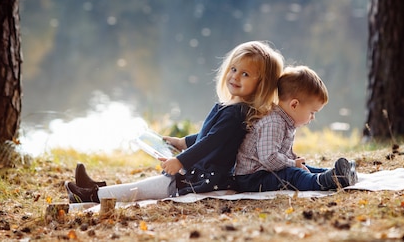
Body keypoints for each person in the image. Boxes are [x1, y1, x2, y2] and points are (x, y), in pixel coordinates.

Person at [65, 40, 284, 203]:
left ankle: (91, 196)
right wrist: (182, 142)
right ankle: (95, 189)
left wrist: (181, 161)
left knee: (144, 189)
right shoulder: (230, 107)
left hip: (205, 177)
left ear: (261, 84)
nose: (235, 77)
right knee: (148, 186)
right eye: (234, 69)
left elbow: (210, 143)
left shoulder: (236, 114)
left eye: (245, 74)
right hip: (200, 170)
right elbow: (207, 135)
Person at [234, 65, 358, 192]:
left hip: (265, 171)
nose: (313, 117)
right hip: (252, 178)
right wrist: (293, 164)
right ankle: (324, 181)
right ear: (294, 105)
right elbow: (269, 158)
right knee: (293, 174)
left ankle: (338, 174)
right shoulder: (273, 122)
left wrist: (295, 162)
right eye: (312, 112)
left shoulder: (284, 120)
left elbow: (279, 154)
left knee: (303, 168)